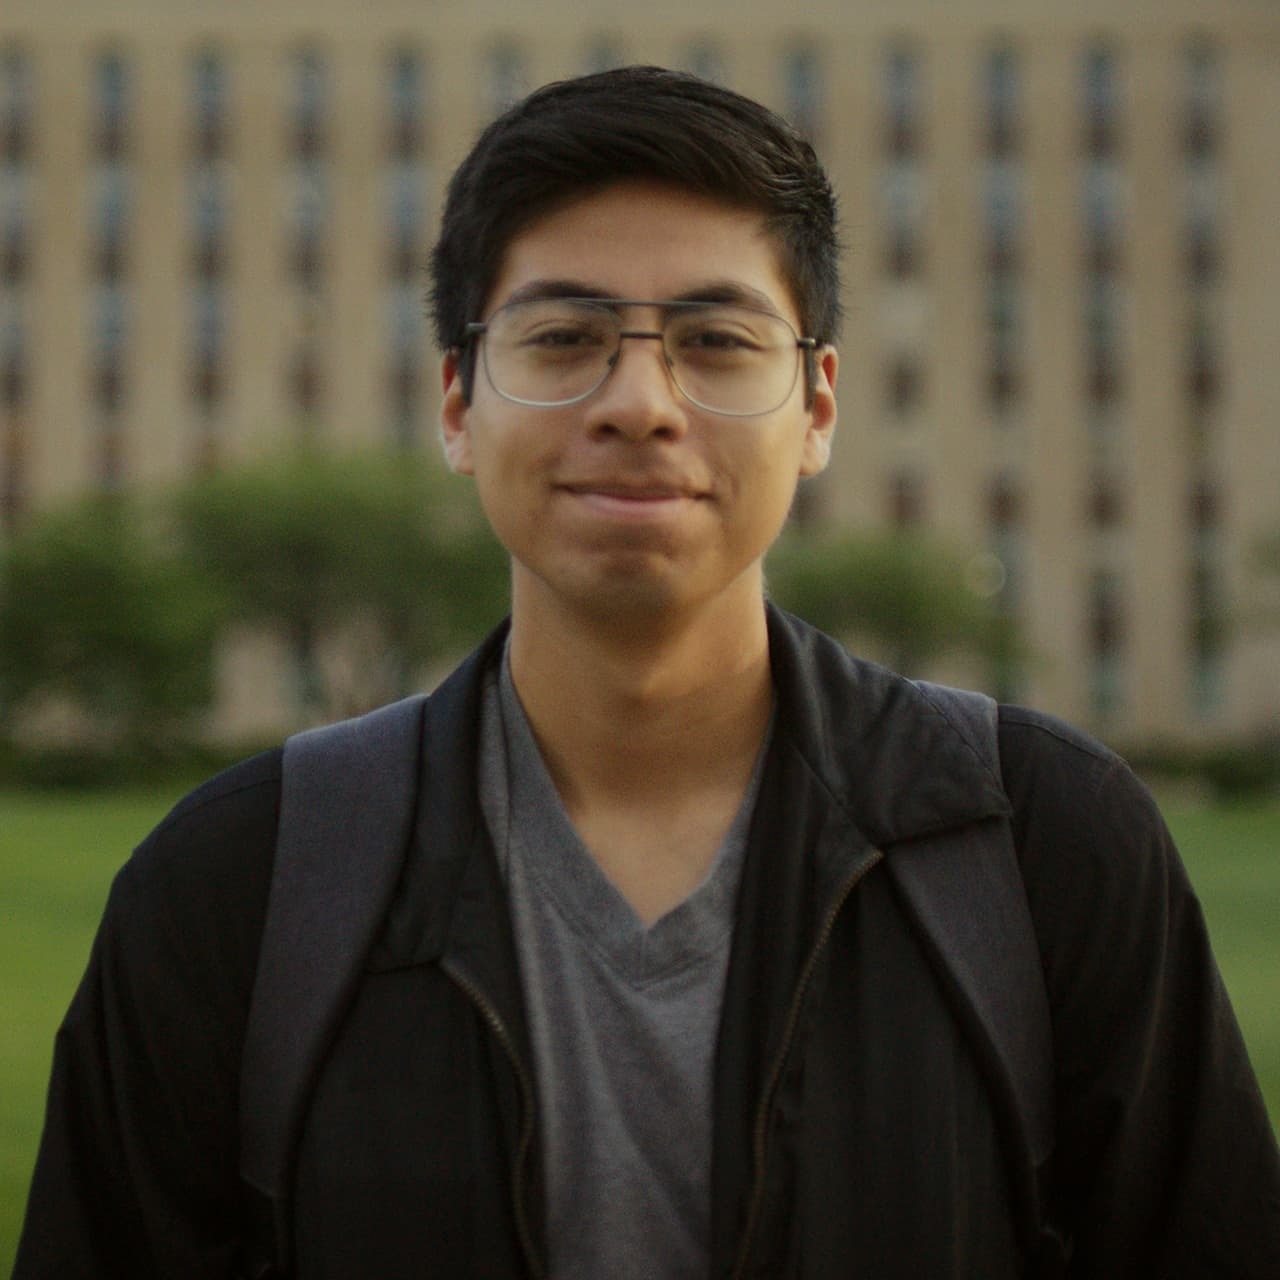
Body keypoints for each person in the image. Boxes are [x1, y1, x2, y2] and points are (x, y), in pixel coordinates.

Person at [14, 66, 1280, 1280]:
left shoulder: (1041, 845)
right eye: (563, 334)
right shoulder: (239, 881)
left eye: (715, 338)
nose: (639, 401)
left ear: (818, 405)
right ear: (457, 402)